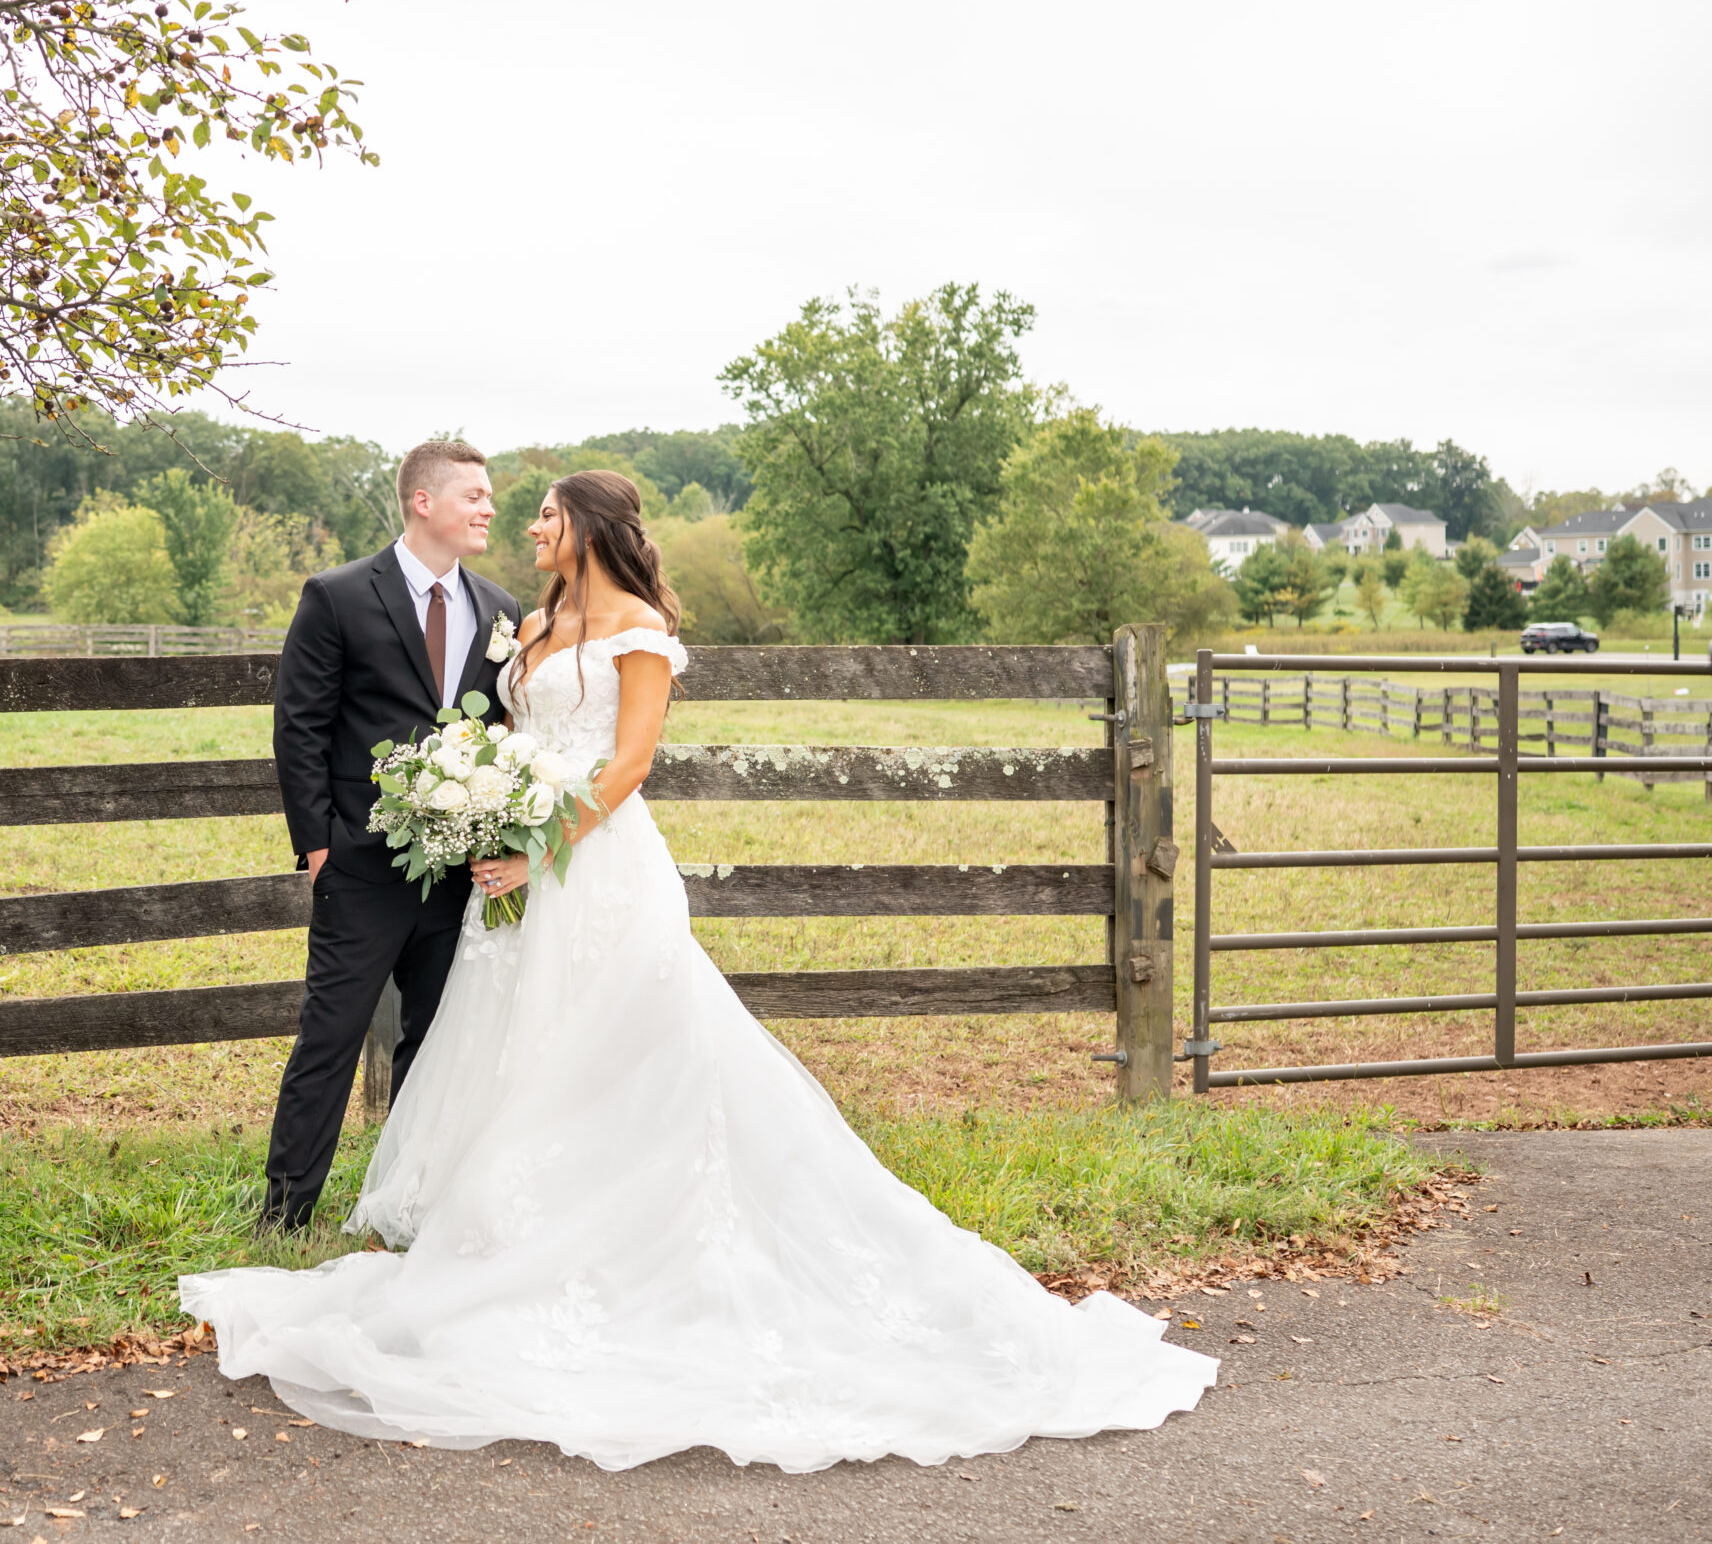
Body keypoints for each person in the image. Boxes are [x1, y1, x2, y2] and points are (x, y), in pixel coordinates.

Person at [185, 470, 1218, 1473]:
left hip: (591, 868)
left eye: (543, 516)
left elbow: (628, 764)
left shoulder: (638, 628)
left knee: (618, 1050)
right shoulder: (528, 625)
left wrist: (539, 842)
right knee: (517, 1049)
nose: (527, 529)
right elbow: (498, 735)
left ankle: (630, 1241)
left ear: (587, 528)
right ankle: (502, 1232)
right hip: (513, 880)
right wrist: (481, 813)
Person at [260, 439, 524, 1233]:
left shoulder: (500, 608)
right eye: (474, 494)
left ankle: (407, 1205)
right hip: (361, 865)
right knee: (330, 1038)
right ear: (423, 502)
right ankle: (284, 1212)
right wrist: (318, 844)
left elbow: (501, 733)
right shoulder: (337, 595)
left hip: (456, 875)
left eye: (488, 496)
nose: (488, 507)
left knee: (436, 1042)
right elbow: (298, 724)